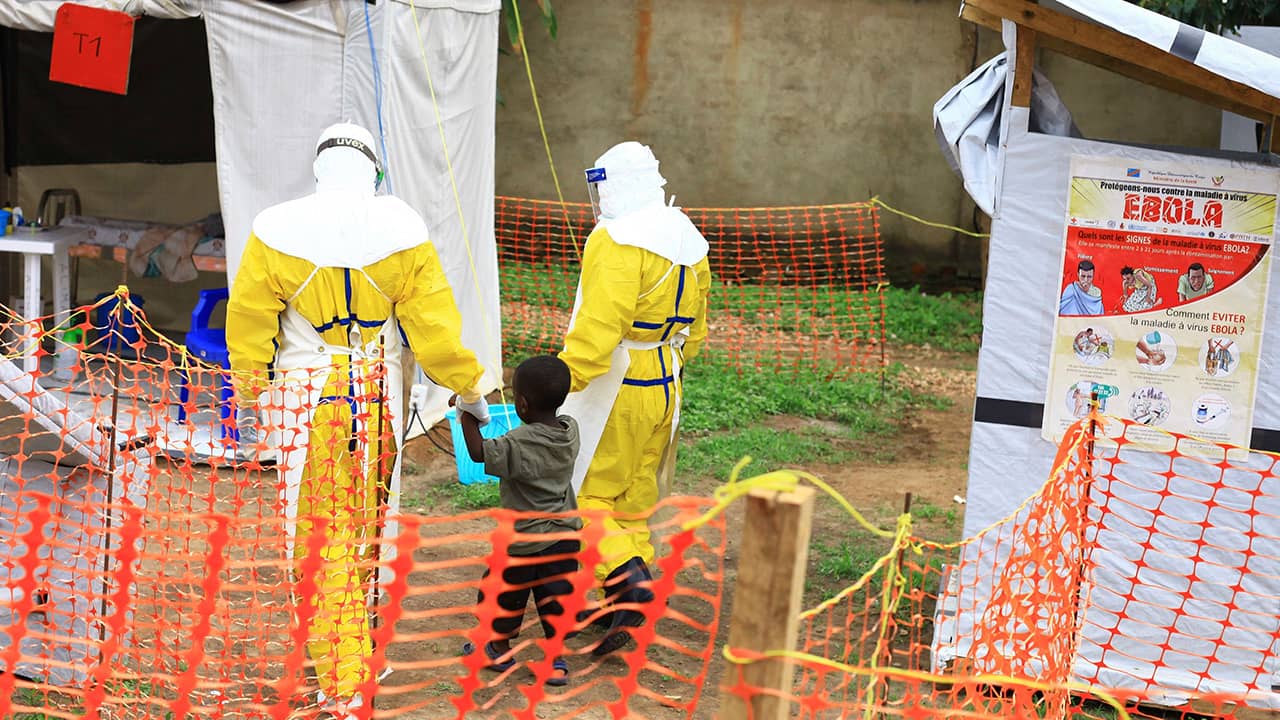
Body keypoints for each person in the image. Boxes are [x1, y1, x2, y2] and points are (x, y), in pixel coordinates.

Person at [226, 122, 490, 718]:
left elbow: (248, 325)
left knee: (322, 539)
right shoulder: (402, 231)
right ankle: (359, 657)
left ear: (319, 167)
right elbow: (438, 336)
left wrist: (250, 398)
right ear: (373, 168)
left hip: (308, 401)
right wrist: (471, 394)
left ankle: (343, 682)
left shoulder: (276, 229)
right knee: (371, 526)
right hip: (377, 401)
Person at [558, 141, 711, 656]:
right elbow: (700, 329)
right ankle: (622, 600)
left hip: (618, 381)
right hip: (667, 380)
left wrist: (561, 382)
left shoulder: (616, 239)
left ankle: (627, 582)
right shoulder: (688, 237)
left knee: (582, 494)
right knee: (633, 498)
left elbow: (600, 327)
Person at [454, 355, 581, 687]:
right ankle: (556, 662)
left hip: (522, 542)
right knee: (556, 599)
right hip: (564, 538)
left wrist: (468, 417)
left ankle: (497, 648)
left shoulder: (517, 443)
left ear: (521, 404)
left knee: (502, 594)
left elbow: (480, 453)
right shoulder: (570, 430)